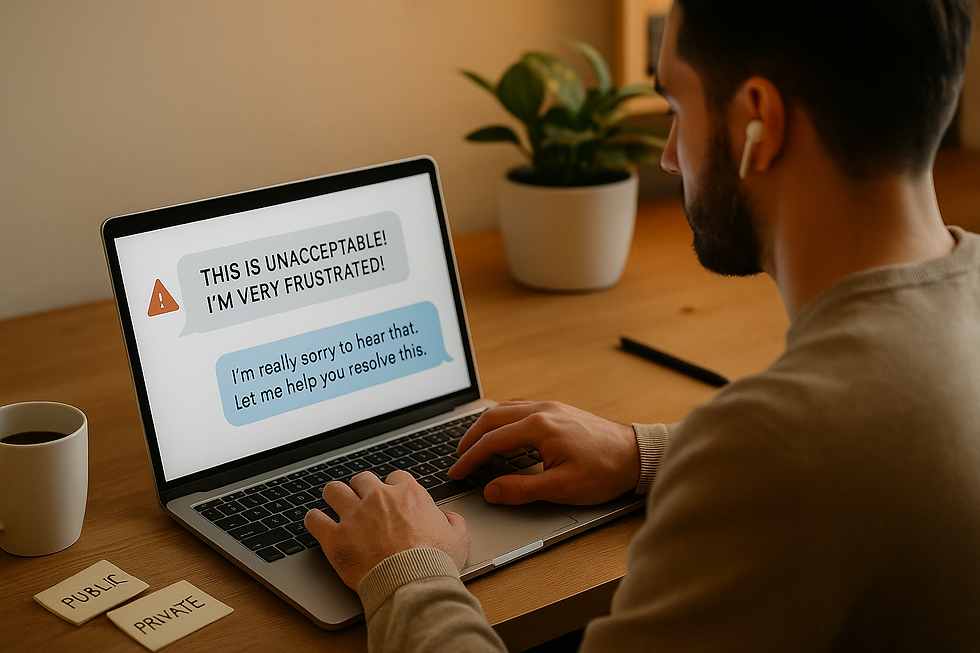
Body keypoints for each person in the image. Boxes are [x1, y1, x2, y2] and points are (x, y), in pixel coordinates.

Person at [305, 0, 980, 649]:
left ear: (759, 122)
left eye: (676, 107)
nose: (667, 154)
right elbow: (849, 447)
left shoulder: (780, 452)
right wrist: (646, 453)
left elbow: (797, 457)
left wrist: (407, 571)